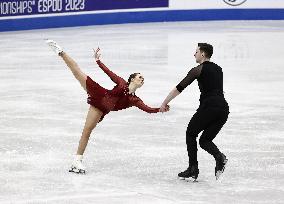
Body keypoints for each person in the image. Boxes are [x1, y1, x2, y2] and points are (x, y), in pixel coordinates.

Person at [46, 39, 169, 174]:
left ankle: (76, 161)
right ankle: (60, 52)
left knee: (87, 131)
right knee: (77, 72)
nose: (142, 79)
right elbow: (108, 72)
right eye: (140, 77)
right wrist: (98, 61)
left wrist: (160, 108)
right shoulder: (122, 83)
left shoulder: (134, 100)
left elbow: (148, 109)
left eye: (143, 78)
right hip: (99, 93)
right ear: (132, 79)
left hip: (101, 109)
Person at [160, 43, 229, 180]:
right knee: (204, 140)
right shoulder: (219, 69)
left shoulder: (198, 69)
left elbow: (179, 88)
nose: (194, 54)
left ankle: (193, 168)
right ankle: (219, 157)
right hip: (223, 109)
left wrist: (164, 103)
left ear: (202, 54)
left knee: (191, 133)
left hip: (210, 107)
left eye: (196, 52)